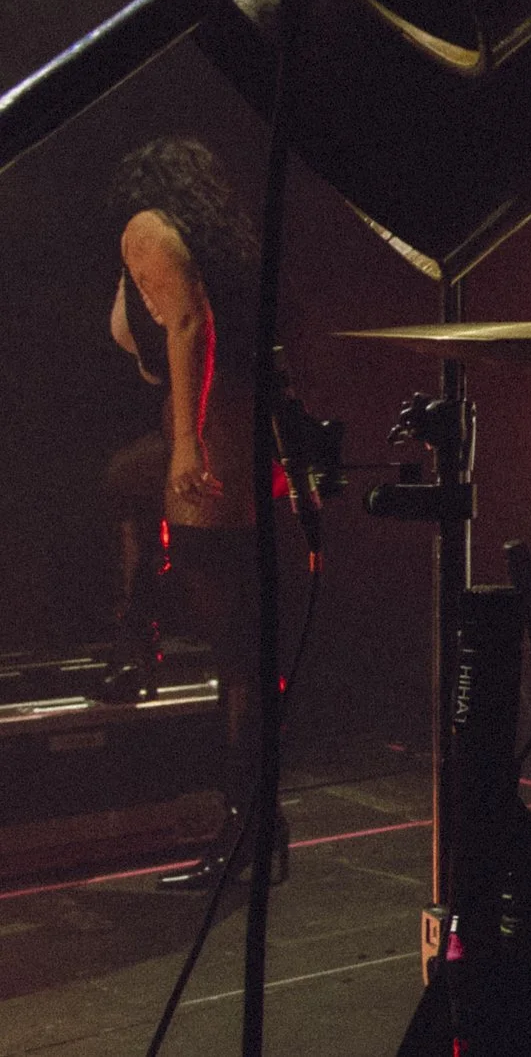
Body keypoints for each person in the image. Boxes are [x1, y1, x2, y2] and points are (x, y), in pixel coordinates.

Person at [105, 135, 282, 889]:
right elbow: (149, 339)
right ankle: (135, 638)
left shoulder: (146, 228)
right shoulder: (206, 240)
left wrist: (186, 442)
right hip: (245, 432)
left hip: (215, 441)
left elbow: (187, 327)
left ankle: (248, 830)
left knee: (238, 656)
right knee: (123, 481)